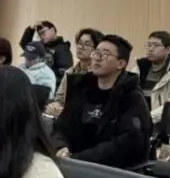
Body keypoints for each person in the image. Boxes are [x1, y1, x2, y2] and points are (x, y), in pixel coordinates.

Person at [54, 34, 152, 168]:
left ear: (121, 63)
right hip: (73, 163)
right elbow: (62, 124)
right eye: (96, 53)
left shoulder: (132, 97)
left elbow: (129, 143)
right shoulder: (81, 87)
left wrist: (80, 158)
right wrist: (60, 146)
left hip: (111, 170)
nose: (97, 58)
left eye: (105, 54)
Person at [135, 31, 170, 126]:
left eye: (156, 45)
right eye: (148, 45)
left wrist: (146, 119)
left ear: (168, 49)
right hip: (136, 123)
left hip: (160, 127)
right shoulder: (138, 71)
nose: (150, 49)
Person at [45, 27, 102, 118]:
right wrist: (55, 106)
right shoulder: (70, 72)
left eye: (87, 44)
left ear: (96, 50)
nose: (81, 47)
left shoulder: (100, 74)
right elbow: (59, 99)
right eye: (79, 43)